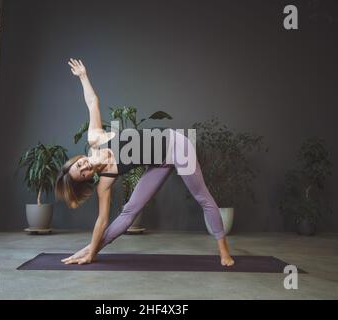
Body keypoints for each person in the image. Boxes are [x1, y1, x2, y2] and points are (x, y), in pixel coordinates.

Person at [55, 58, 234, 267]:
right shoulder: (104, 182)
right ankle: (90, 250)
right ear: (87, 179)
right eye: (82, 174)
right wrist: (92, 249)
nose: (84, 167)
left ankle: (224, 251)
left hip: (176, 145)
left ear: (78, 159)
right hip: (158, 162)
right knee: (130, 211)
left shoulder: (95, 138)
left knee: (201, 196)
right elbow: (102, 220)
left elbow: (92, 102)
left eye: (79, 165)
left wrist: (83, 76)